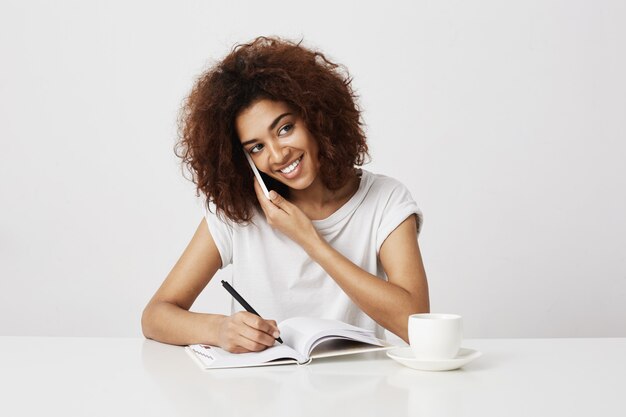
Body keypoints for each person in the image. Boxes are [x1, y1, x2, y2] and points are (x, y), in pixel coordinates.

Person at [141, 35, 429, 353]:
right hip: (261, 395)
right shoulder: (238, 214)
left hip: (359, 393)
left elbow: (416, 323)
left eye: (285, 128)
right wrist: (219, 329)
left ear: (316, 116)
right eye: (257, 147)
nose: (278, 155)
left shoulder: (385, 200)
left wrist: (310, 240)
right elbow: (155, 316)